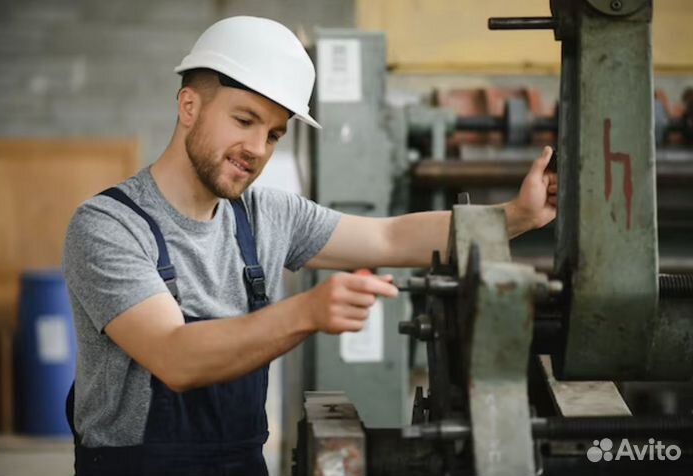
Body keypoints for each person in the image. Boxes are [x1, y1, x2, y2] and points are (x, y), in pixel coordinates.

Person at [62, 15, 557, 476]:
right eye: (244, 120)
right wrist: (307, 312)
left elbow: (388, 236)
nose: (257, 148)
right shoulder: (107, 226)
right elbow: (176, 358)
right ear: (189, 105)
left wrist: (513, 218)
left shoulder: (266, 216)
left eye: (274, 134)